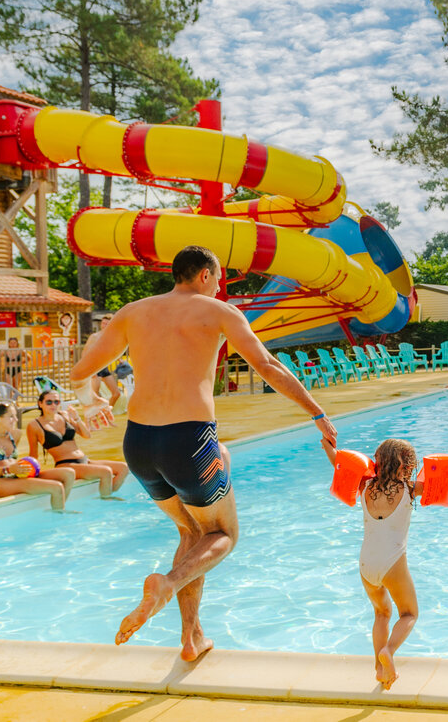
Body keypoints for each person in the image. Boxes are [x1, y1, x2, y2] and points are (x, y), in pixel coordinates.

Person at [70, 245, 338, 663]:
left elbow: (79, 372)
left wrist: (91, 403)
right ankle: (168, 583)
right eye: (219, 278)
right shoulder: (220, 312)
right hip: (188, 442)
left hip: (138, 444)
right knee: (224, 535)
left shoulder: (133, 311)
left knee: (192, 534)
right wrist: (317, 413)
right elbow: (267, 366)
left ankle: (192, 638)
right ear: (207, 276)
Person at [320, 436, 448, 689]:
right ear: (406, 464)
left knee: (381, 613)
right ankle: (388, 652)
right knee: (409, 613)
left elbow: (338, 463)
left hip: (365, 563)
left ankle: (380, 669)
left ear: (380, 462)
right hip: (392, 561)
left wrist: (327, 444)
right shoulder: (410, 489)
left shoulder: (365, 486)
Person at [26, 390, 130, 499]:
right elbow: (33, 454)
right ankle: (107, 500)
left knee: (123, 468)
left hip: (85, 461)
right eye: (49, 402)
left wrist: (77, 418)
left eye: (56, 402)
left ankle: (106, 495)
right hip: (66, 464)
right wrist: (32, 476)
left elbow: (86, 435)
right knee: (105, 472)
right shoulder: (34, 425)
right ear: (40, 403)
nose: (53, 405)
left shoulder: (64, 415)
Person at [0, 403, 75, 511]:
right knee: (56, 487)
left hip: (18, 476)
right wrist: (8, 470)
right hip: (1, 482)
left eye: (15, 416)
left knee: (69, 473)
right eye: (11, 416)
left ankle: (59, 506)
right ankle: (59, 516)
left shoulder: (15, 435)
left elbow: (11, 459)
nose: (16, 420)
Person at [83, 314, 123, 408]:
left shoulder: (112, 338)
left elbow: (112, 352)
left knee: (116, 394)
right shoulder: (94, 336)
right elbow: (85, 353)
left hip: (103, 367)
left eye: (107, 324)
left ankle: (107, 411)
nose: (104, 325)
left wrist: (120, 360)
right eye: (103, 323)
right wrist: (89, 370)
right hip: (94, 368)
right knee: (95, 395)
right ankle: (95, 414)